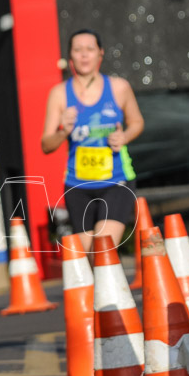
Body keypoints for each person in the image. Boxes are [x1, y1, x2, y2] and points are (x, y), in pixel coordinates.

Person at [41, 28, 144, 252]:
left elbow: (137, 122)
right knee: (91, 257)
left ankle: (111, 287)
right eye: (78, 50)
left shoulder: (119, 87)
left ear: (100, 54)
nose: (84, 55)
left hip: (116, 181)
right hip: (77, 186)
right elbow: (46, 145)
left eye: (90, 49)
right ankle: (105, 287)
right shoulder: (59, 94)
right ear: (70, 57)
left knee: (102, 249)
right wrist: (63, 131)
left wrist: (124, 136)